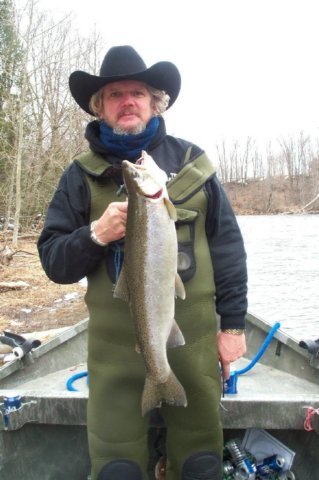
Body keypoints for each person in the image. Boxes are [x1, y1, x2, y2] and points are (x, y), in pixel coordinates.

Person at [37, 45, 247, 480]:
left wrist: (233, 327)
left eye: (137, 92)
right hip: (113, 358)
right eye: (114, 94)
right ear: (100, 108)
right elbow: (55, 263)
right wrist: (95, 234)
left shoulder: (193, 164)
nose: (127, 101)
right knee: (116, 471)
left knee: (201, 465)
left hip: (194, 347)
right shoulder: (79, 175)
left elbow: (228, 250)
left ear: (155, 101)